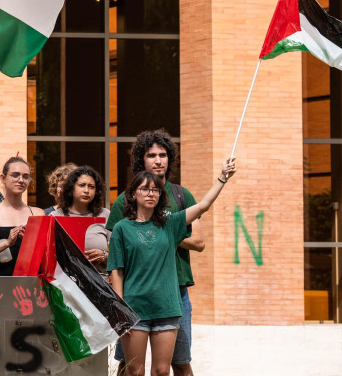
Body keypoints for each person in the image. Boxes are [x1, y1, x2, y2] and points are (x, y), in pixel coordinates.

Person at [108, 158, 236, 376]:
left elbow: (203, 205)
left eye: (155, 190)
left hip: (167, 308)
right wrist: (120, 310)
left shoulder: (170, 225)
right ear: (134, 194)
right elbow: (116, 271)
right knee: (134, 372)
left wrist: (222, 178)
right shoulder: (122, 228)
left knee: (162, 371)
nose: (150, 194)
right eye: (145, 189)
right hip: (134, 309)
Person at [105, 130, 202, 376]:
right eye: (152, 155)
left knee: (180, 363)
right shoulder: (123, 201)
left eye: (163, 155)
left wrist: (161, 230)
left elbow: (199, 242)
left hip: (175, 292)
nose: (158, 160)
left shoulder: (181, 195)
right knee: (128, 366)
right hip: (134, 295)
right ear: (142, 160)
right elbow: (116, 248)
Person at [0, 156, 45, 276]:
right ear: (3, 178)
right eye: (15, 175)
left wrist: (29, 242)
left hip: (30, 284)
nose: (21, 180)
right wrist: (7, 243)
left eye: (25, 176)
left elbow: (46, 255)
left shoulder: (38, 213)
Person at [50, 166, 111, 275]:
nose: (86, 190)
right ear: (71, 188)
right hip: (65, 284)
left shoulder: (106, 215)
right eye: (82, 185)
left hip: (100, 283)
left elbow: (121, 255)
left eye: (91, 187)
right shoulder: (55, 217)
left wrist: (104, 256)